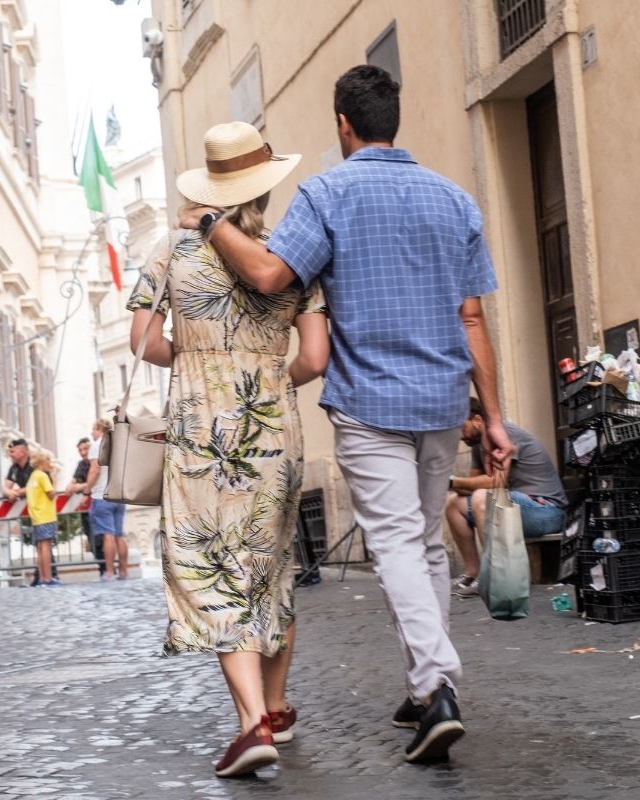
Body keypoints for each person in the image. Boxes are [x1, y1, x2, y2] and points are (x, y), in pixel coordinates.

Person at [179, 65, 515, 764]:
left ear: (343, 124)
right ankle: (428, 689)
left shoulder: (327, 192)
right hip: (443, 401)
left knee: (396, 545)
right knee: (423, 542)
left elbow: (271, 274)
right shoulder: (455, 201)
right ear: (394, 119)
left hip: (370, 403)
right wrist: (499, 417)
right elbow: (473, 317)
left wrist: (212, 223)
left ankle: (436, 686)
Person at [129, 120, 329, 778]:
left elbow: (141, 341)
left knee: (215, 569)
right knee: (270, 567)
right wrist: (265, 374)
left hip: (200, 429)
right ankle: (274, 704)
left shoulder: (171, 250)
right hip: (274, 425)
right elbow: (316, 357)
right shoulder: (294, 254)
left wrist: (196, 362)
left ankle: (250, 727)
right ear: (264, 189)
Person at [447, 398, 567, 598]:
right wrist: (449, 483)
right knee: (453, 503)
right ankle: (473, 572)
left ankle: (495, 576)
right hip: (519, 506)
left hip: (546, 510)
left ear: (477, 419)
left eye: (460, 426)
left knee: (482, 497)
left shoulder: (505, 434)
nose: (458, 435)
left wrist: (453, 481)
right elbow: (471, 484)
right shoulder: (478, 445)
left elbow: (496, 482)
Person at [3, 437, 55, 584]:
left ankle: (45, 576)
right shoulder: (14, 468)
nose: (10, 454)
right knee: (42, 545)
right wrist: (9, 493)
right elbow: (6, 486)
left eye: (13, 451)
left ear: (23, 451)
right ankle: (46, 578)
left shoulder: (34, 468)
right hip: (40, 513)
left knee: (42, 545)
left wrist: (17, 492)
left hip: (37, 511)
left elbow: (37, 485)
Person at [87, 420, 128, 580]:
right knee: (119, 535)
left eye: (93, 429)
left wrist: (87, 488)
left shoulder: (97, 444)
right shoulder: (118, 444)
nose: (91, 433)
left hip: (101, 494)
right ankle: (124, 571)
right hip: (119, 493)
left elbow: (94, 470)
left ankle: (110, 572)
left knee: (108, 535)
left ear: (98, 429)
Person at [63, 436, 104, 576]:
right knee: (91, 540)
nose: (83, 452)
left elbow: (96, 481)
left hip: (98, 504)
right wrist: (70, 486)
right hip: (86, 509)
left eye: (85, 449)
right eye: (80, 450)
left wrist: (80, 486)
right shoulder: (81, 465)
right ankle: (102, 569)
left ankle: (107, 569)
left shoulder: (98, 461)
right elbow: (71, 483)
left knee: (101, 539)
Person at [26, 450, 59, 587]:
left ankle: (42, 578)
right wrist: (54, 477)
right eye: (48, 460)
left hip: (36, 516)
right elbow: (51, 493)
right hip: (46, 515)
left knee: (40, 548)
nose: (49, 463)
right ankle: (47, 577)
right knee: (46, 547)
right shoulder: (42, 476)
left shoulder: (32, 477)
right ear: (42, 462)